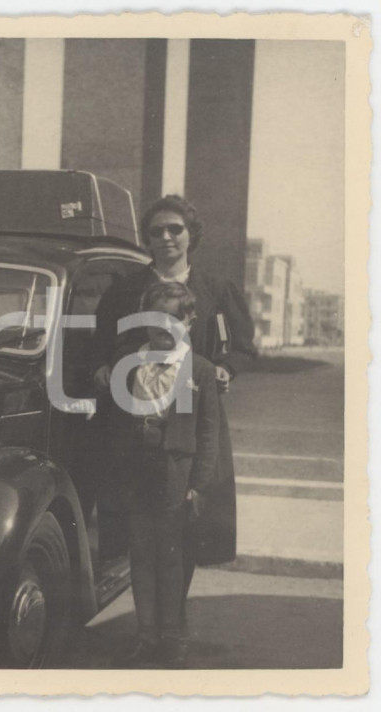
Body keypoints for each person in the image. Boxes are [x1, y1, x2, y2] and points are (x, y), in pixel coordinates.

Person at [87, 194, 257, 649]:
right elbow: (102, 344)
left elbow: (243, 346)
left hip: (190, 425)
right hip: (136, 421)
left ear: (190, 235)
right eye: (157, 231)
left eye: (174, 230)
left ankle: (171, 627)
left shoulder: (215, 289)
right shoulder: (125, 289)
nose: (165, 238)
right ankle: (151, 630)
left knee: (187, 531)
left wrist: (226, 367)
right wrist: (103, 366)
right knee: (140, 538)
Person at [111, 281, 221, 668]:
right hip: (137, 468)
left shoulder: (200, 370)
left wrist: (199, 485)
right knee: (141, 553)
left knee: (172, 555)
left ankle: (173, 637)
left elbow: (209, 431)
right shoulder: (129, 363)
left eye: (172, 319)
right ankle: (146, 636)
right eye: (153, 319)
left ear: (189, 320)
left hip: (176, 470)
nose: (162, 328)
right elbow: (116, 418)